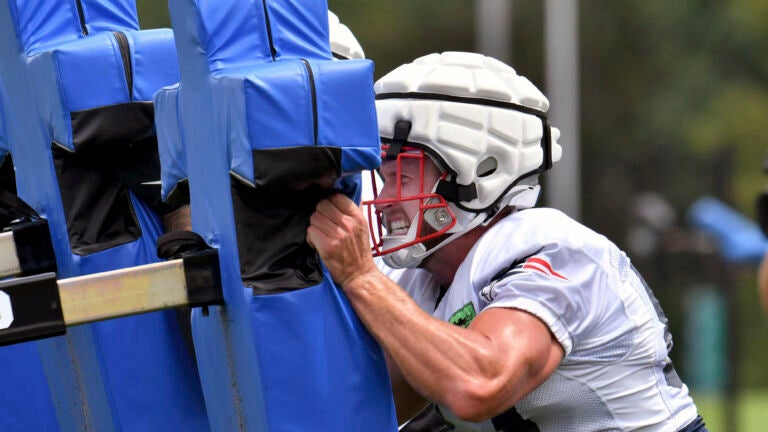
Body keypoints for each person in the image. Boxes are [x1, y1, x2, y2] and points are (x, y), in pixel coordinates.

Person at [307, 51, 708, 431]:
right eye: (386, 175)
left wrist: (361, 277)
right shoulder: (429, 281)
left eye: (403, 174)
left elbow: (479, 385)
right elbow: (371, 405)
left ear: (477, 173)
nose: (386, 198)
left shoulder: (558, 253)